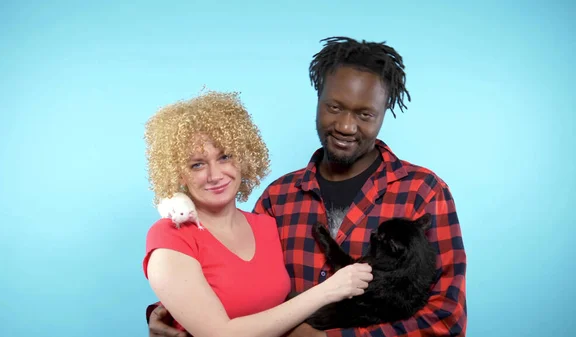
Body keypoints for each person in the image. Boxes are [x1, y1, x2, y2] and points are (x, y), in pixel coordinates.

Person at [147, 36, 468, 337]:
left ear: (384, 114)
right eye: (335, 107)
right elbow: (240, 286)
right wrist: (175, 310)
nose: (345, 125)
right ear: (318, 100)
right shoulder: (277, 200)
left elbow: (447, 315)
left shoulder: (423, 192)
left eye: (365, 114)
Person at [142, 90, 374, 337]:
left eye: (225, 157)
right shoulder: (170, 236)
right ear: (178, 173)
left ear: (243, 157)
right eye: (197, 164)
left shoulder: (266, 224)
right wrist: (328, 291)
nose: (215, 175)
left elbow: (264, 300)